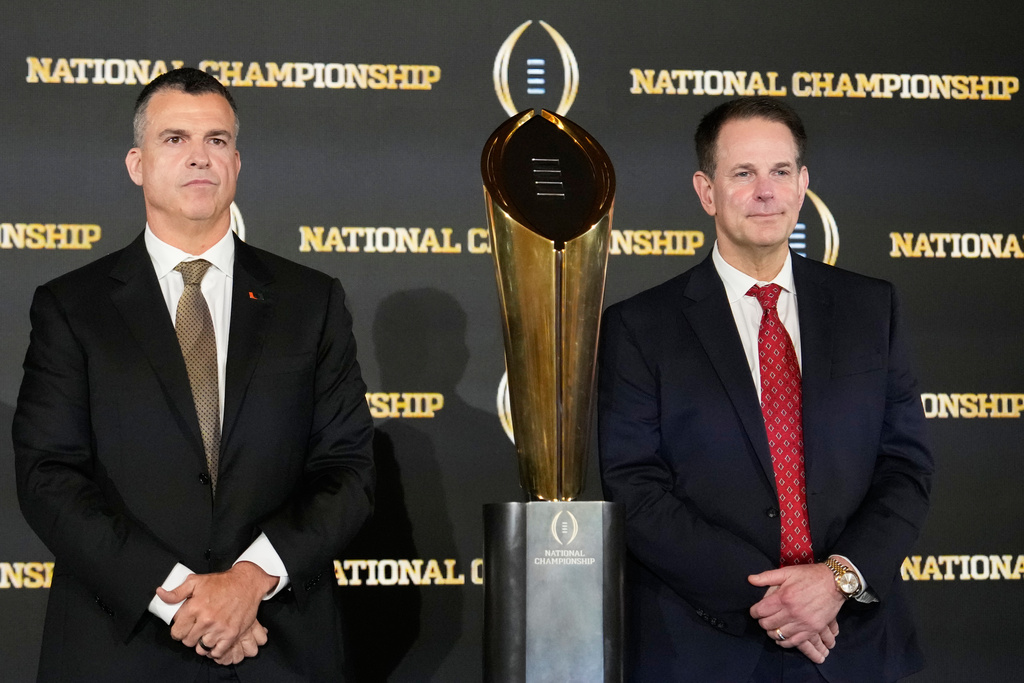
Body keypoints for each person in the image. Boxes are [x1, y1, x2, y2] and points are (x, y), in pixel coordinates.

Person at [13, 68, 375, 682]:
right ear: (137, 163)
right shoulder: (72, 307)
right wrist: (183, 596)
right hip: (121, 646)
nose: (199, 158)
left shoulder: (312, 302)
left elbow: (349, 471)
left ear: (237, 162)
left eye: (217, 140)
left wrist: (248, 581)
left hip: (277, 642)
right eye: (175, 139)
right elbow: (49, 475)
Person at [598, 97, 933, 682]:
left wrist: (834, 579)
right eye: (743, 173)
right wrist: (778, 599)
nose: (765, 191)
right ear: (706, 191)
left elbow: (905, 467)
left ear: (803, 186)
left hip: (853, 643)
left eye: (780, 172)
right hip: (707, 645)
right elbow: (635, 487)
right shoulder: (640, 326)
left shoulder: (870, 309)